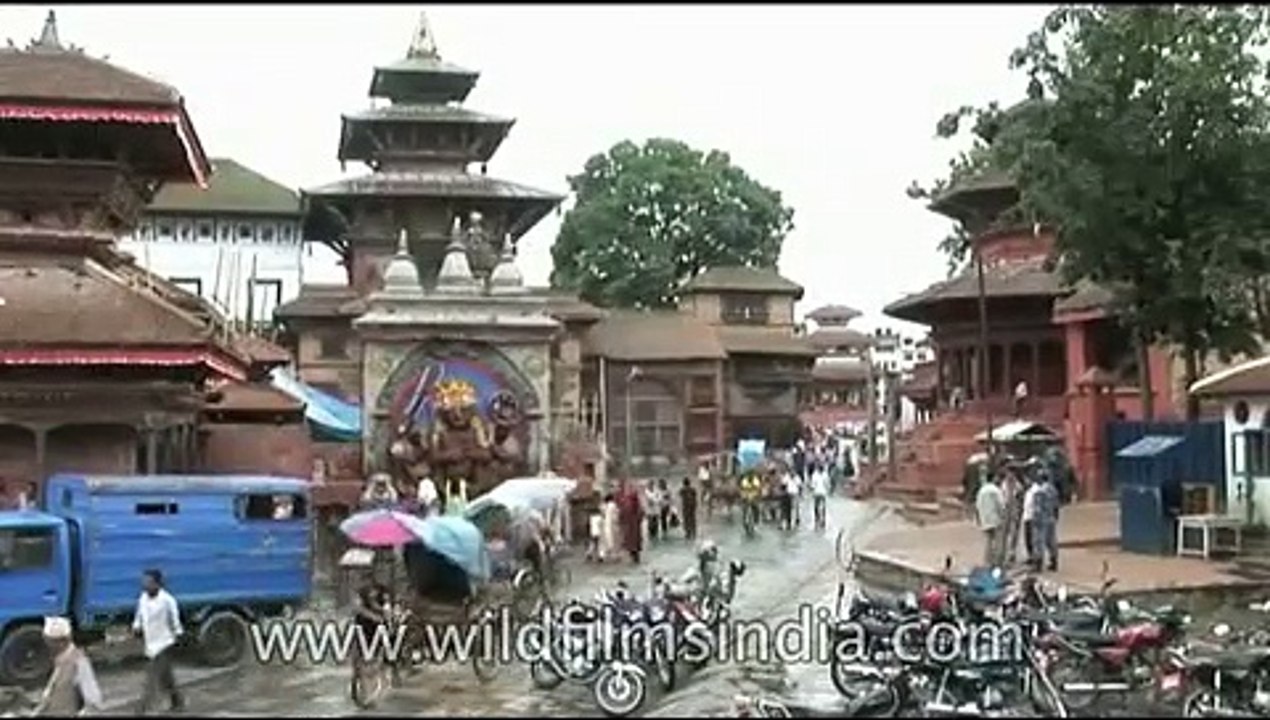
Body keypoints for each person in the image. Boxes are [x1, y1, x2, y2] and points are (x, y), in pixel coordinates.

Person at [133, 569, 184, 714]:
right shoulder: (143, 598)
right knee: (167, 677)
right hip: (150, 643)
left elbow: (175, 620)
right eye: (144, 581)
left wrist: (178, 635)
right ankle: (178, 701)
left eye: (148, 582)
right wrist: (136, 627)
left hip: (164, 644)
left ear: (157, 584)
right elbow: (139, 615)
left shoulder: (168, 600)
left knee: (151, 678)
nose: (145, 584)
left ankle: (143, 709)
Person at [31, 616, 102, 716]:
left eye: (49, 641)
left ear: (62, 641)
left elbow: (93, 700)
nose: (46, 644)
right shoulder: (59, 659)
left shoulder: (79, 662)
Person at [1031, 470, 1060, 572]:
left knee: (1039, 542)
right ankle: (1054, 561)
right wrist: (1055, 517)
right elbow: (1056, 505)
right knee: (1051, 541)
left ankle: (1038, 564)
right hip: (1051, 518)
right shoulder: (1053, 490)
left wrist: (1035, 519)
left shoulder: (1039, 492)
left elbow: (1037, 508)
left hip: (1041, 519)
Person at [974, 475, 1006, 568]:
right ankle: (996, 561)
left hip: (985, 519)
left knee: (988, 541)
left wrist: (979, 519)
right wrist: (1002, 516)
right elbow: (1001, 504)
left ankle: (987, 560)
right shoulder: (996, 490)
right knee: (996, 541)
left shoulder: (981, 491)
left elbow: (977, 506)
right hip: (995, 518)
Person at [616, 480, 644, 564]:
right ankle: (634, 555)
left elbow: (622, 515)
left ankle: (634, 555)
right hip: (632, 527)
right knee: (633, 542)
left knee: (632, 542)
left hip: (631, 527)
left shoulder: (627, 502)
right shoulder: (627, 502)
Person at [1000, 467, 1024, 565]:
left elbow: (1021, 499)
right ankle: (1003, 554)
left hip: (1014, 510)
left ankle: (1011, 553)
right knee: (1004, 533)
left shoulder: (1018, 486)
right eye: (1008, 474)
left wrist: (1019, 510)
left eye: (1011, 474)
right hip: (1005, 510)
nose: (1010, 476)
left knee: (1014, 533)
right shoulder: (1003, 485)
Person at [1021, 475, 1040, 568]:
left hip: (1033, 518)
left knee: (1033, 539)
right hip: (1027, 517)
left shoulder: (1036, 491)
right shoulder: (1028, 491)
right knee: (1027, 538)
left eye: (1026, 480)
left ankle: (1036, 559)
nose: (1025, 482)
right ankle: (1030, 556)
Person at [600, 493, 620, 562]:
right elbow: (616, 514)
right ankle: (614, 556)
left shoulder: (603, 506)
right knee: (613, 540)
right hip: (612, 524)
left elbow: (602, 514)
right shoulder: (613, 505)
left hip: (605, 524)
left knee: (604, 540)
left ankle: (602, 555)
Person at [809, 464, 829, 531]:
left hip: (821, 492)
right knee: (818, 506)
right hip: (818, 492)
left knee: (821, 507)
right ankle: (818, 519)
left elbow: (826, 483)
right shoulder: (816, 475)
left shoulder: (822, 475)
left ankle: (821, 519)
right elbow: (827, 484)